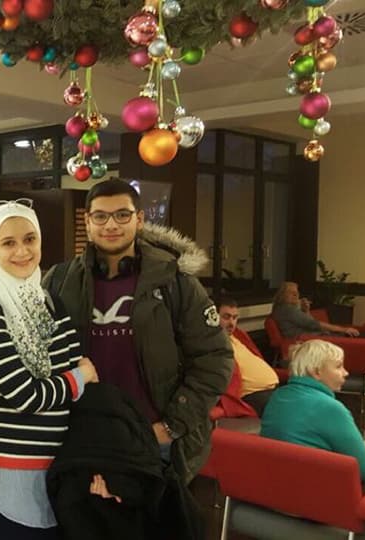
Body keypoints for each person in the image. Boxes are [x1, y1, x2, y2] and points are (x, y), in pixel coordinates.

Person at [43, 179, 233, 484]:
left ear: (140, 219)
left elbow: (215, 359)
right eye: (100, 216)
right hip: (82, 439)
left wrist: (171, 427)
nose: (111, 225)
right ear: (88, 222)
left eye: (122, 215)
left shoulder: (175, 281)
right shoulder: (59, 281)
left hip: (155, 442)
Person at [0, 199, 98, 539]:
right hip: (3, 481)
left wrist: (75, 379)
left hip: (55, 478)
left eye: (30, 239)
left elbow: (75, 377)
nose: (22, 251)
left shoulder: (48, 302)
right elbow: (26, 396)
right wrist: (78, 378)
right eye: (8, 243)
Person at [260, 340, 365, 483]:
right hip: (317, 489)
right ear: (316, 372)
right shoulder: (330, 408)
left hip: (274, 483)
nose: (346, 373)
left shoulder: (278, 396)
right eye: (338, 366)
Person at [218, 299, 279, 415]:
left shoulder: (238, 336)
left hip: (273, 388)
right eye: (226, 317)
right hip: (254, 395)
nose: (231, 323)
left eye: (234, 318)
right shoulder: (214, 343)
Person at [271, 281, 359, 338]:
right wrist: (344, 329)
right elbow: (313, 324)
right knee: (348, 335)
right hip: (307, 341)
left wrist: (306, 310)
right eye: (291, 292)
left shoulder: (286, 308)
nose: (296, 295)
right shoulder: (287, 310)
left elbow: (310, 322)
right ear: (282, 295)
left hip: (313, 337)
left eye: (296, 292)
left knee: (349, 335)